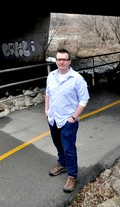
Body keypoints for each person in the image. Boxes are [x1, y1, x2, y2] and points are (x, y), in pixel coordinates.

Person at [45, 48, 90, 193]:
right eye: (59, 59)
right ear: (56, 61)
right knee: (58, 144)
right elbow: (47, 93)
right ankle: (62, 164)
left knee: (69, 148)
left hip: (67, 120)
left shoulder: (77, 79)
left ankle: (72, 176)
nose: (61, 62)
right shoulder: (51, 75)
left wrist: (73, 118)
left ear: (69, 61)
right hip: (53, 118)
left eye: (64, 59)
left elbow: (84, 99)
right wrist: (46, 110)